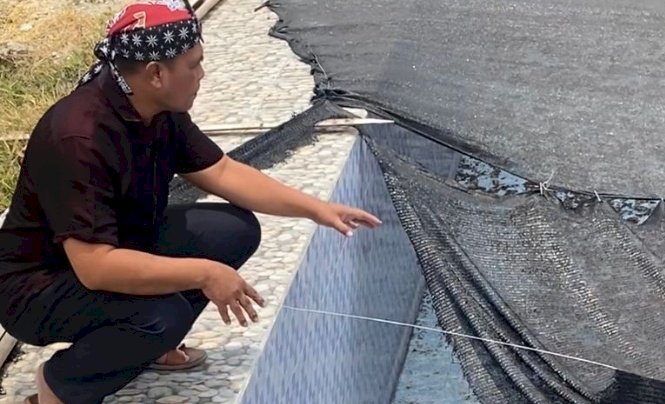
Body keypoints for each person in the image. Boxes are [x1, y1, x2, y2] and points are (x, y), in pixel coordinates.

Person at [0, 1, 381, 403]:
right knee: (164, 316)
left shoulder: (154, 106)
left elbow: (221, 173)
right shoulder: (79, 138)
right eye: (194, 64)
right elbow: (95, 267)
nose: (202, 75)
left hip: (114, 245)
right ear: (156, 73)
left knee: (234, 231)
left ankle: (148, 348)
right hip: (37, 288)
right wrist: (203, 274)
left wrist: (316, 208)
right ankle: (60, 385)